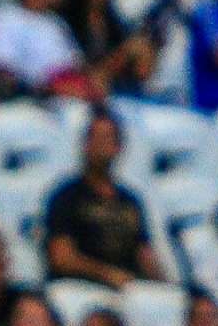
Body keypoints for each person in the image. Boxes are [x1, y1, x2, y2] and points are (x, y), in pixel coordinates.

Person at [42, 108, 163, 289]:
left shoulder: (131, 200)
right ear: (85, 144)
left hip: (129, 288)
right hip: (82, 289)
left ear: (119, 147)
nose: (102, 145)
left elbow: (144, 253)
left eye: (108, 138)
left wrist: (163, 284)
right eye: (96, 138)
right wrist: (106, 274)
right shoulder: (65, 196)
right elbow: (61, 257)